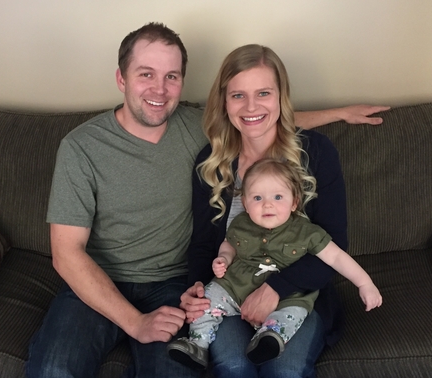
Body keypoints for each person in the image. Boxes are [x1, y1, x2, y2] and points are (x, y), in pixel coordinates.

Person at [25, 22, 388, 378]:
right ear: (121, 79)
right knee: (55, 369)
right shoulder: (90, 147)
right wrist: (156, 311)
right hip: (142, 285)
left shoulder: (211, 129)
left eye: (171, 76)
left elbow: (260, 118)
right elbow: (68, 253)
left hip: (224, 288)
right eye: (145, 74)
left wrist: (340, 113)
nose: (160, 89)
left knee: (252, 368)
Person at [178, 43, 371, 378]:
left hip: (297, 295)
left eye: (263, 92)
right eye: (238, 95)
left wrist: (275, 289)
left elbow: (334, 244)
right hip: (230, 291)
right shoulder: (211, 163)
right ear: (224, 101)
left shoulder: (316, 153)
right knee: (234, 366)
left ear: (281, 97)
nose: (251, 106)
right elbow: (203, 245)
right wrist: (196, 287)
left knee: (285, 369)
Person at [168, 159, 382, 369]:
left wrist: (365, 283)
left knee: (293, 313)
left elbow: (336, 257)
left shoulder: (307, 232)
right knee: (208, 298)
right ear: (245, 203)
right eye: (257, 197)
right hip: (234, 287)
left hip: (286, 298)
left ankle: (268, 339)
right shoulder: (240, 223)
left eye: (278, 197)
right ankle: (198, 344)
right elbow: (229, 245)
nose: (267, 204)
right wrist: (223, 259)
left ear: (294, 202)